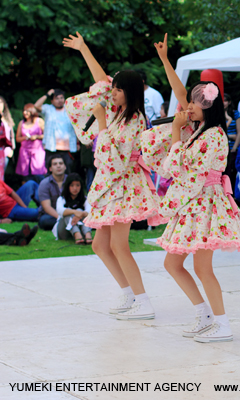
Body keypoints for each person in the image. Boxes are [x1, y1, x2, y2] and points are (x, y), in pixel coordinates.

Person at [142, 33, 240, 342]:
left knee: (203, 268)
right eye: (190, 102)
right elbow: (179, 92)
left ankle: (222, 324)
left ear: (205, 108)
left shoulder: (213, 135)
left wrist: (174, 134)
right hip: (194, 205)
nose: (188, 107)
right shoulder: (197, 131)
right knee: (173, 263)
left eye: (195, 104)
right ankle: (204, 314)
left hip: (206, 204)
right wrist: (166, 60)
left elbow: (175, 167)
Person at [63, 31, 164, 320]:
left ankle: (143, 301)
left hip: (125, 186)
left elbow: (117, 160)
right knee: (99, 245)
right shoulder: (119, 110)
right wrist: (83, 49)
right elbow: (101, 80)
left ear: (130, 92)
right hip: (111, 186)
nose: (112, 92)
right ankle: (129, 293)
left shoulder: (135, 119)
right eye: (114, 88)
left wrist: (103, 121)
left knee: (118, 245)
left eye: (118, 89)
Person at [34, 89, 78, 172]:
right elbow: (36, 106)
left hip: (68, 148)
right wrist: (47, 94)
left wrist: (78, 142)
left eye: (61, 98)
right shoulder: (48, 109)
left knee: (68, 170)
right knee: (51, 170)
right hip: (52, 147)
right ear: (52, 101)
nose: (60, 100)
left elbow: (76, 126)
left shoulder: (70, 109)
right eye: (57, 98)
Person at [53, 173, 93, 244]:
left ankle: (87, 233)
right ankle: (76, 233)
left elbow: (90, 211)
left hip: (81, 228)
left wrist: (80, 214)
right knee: (67, 213)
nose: (75, 188)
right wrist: (74, 212)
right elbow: (60, 211)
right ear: (67, 186)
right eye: (72, 185)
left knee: (80, 210)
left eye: (77, 185)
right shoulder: (61, 199)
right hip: (64, 231)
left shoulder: (84, 199)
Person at [15, 103, 47, 181]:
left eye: (27, 111)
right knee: (26, 176)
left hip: (37, 152)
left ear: (32, 112)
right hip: (24, 152)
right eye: (24, 111)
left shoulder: (39, 121)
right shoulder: (21, 123)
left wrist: (37, 137)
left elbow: (47, 135)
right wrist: (25, 138)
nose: (25, 113)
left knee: (38, 175)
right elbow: (17, 139)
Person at [38, 155, 67, 230]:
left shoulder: (71, 181)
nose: (58, 166)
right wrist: (61, 218)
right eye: (55, 164)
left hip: (69, 212)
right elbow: (47, 207)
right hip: (51, 215)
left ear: (65, 166)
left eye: (61, 163)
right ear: (50, 168)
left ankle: (68, 223)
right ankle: (68, 223)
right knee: (44, 221)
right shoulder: (44, 183)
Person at [0, 96, 16, 182]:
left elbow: (11, 136)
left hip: (6, 152)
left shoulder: (6, 119)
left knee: (2, 176)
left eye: (0, 103)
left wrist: (12, 148)